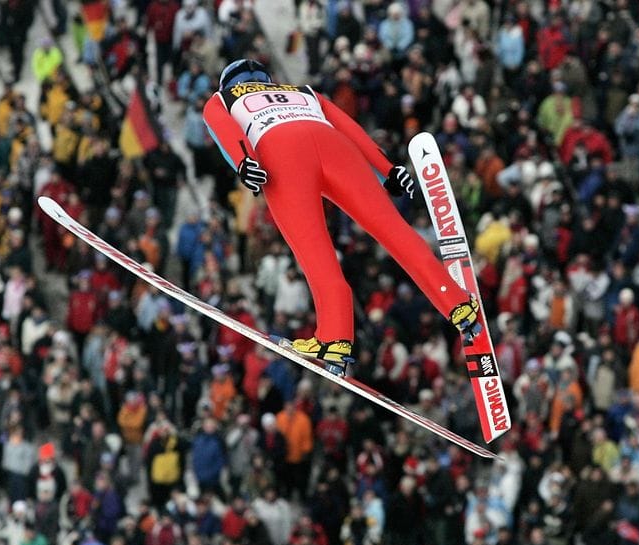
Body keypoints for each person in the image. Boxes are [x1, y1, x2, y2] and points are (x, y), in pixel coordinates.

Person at [203, 59, 481, 372]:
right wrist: (387, 169)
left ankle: (335, 337)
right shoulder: (306, 92)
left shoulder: (222, 98)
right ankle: (456, 301)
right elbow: (350, 127)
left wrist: (244, 162)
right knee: (393, 229)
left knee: (315, 251)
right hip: (335, 147)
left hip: (281, 154)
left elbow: (222, 127)